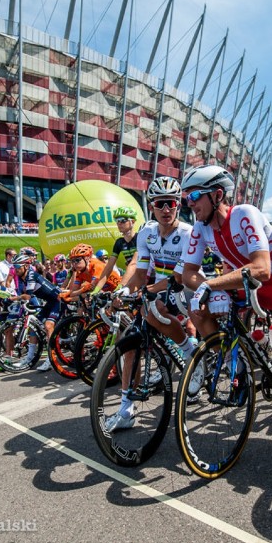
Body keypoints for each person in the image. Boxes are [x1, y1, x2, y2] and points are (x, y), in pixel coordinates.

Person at [178, 165, 272, 517]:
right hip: (247, 286)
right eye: (187, 198)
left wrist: (211, 283)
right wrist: (205, 284)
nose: (190, 204)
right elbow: (187, 272)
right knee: (198, 312)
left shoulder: (244, 214)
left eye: (195, 196)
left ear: (217, 195)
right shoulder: (200, 228)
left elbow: (262, 268)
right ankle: (238, 364)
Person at [104, 177, 198, 432]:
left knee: (156, 309)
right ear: (152, 206)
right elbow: (139, 272)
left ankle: (191, 355)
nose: (166, 209)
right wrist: (123, 291)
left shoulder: (189, 233)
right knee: (130, 342)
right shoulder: (146, 233)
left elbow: (178, 278)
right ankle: (125, 410)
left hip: (186, 289)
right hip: (158, 289)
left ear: (178, 205)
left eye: (171, 203)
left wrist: (146, 290)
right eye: (160, 204)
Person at [7, 253, 62, 372]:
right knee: (33, 326)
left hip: (58, 300)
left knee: (48, 326)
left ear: (26, 266)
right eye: (14, 267)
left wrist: (13, 299)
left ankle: (51, 359)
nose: (15, 270)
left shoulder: (31, 275)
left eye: (17, 267)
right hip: (49, 302)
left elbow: (27, 296)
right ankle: (30, 357)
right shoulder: (21, 277)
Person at [92, 206, 139, 294]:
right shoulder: (119, 242)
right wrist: (96, 289)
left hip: (144, 275)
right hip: (131, 276)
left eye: (122, 220)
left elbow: (134, 263)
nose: (119, 223)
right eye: (117, 221)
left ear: (132, 221)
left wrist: (121, 286)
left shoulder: (139, 238)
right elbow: (108, 267)